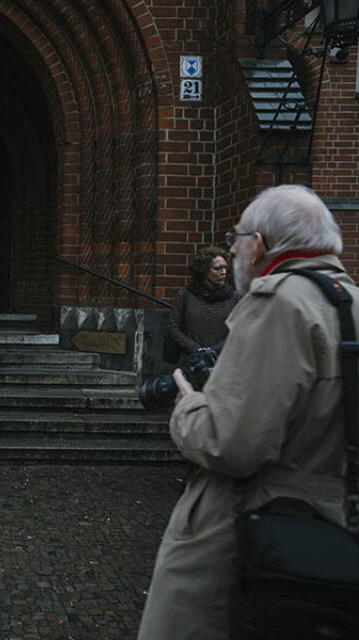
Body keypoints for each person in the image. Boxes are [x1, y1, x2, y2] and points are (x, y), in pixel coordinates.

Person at [138, 185, 359, 639]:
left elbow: (231, 443)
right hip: (331, 527)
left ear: (258, 244)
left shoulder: (277, 302)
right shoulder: (350, 303)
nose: (232, 249)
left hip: (251, 533)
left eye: (235, 237)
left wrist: (188, 406)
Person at [165, 246, 242, 362]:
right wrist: (197, 350)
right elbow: (173, 327)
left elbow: (239, 331)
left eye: (225, 268)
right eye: (217, 269)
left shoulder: (234, 298)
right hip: (191, 361)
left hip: (224, 362)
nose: (224, 272)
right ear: (204, 270)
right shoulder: (186, 295)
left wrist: (213, 351)